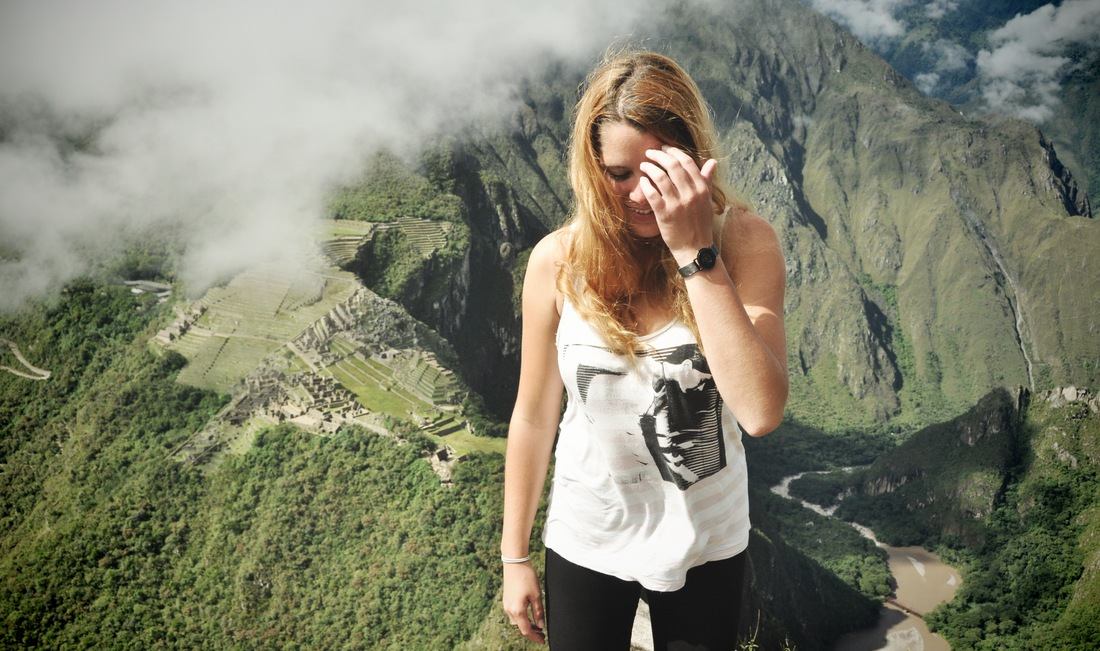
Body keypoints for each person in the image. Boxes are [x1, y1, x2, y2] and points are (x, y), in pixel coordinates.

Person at [500, 49, 788, 650]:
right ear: (591, 166)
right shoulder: (558, 260)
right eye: (619, 173)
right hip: (589, 534)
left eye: (655, 171)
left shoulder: (744, 242)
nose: (637, 195)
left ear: (691, 156)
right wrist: (514, 556)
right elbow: (533, 414)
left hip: (705, 540)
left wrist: (695, 253)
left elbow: (760, 412)